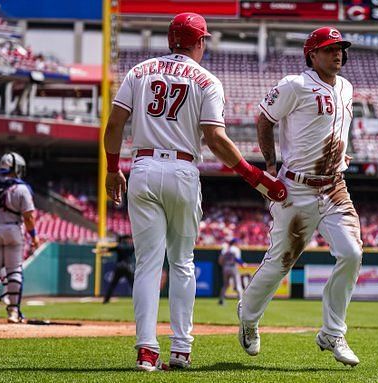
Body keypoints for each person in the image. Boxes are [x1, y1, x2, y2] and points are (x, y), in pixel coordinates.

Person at [103, 12, 286, 372]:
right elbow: (215, 139)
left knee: (148, 265)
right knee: (183, 262)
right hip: (183, 169)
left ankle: (146, 351)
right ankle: (181, 349)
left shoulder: (139, 71)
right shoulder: (206, 79)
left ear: (171, 39)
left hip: (141, 166)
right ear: (199, 42)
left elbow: (114, 125)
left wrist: (112, 169)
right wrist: (253, 175)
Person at [237, 27, 363, 367]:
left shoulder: (347, 87)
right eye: (329, 48)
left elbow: (335, 130)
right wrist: (270, 164)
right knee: (281, 262)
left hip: (335, 185)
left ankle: (332, 332)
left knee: (351, 253)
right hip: (297, 187)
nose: (337, 53)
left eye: (340, 48)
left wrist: (341, 155)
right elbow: (264, 120)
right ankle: (248, 317)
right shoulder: (295, 84)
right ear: (312, 54)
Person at [0, 152, 39, 324]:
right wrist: (34, 236)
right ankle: (13, 312)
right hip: (13, 229)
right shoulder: (22, 188)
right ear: (16, 167)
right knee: (14, 271)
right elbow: (29, 218)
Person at [103, 234, 135, 304]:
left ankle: (106, 300)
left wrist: (101, 251)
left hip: (119, 267)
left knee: (113, 284)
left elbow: (108, 249)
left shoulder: (119, 246)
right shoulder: (131, 246)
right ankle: (138, 300)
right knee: (133, 285)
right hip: (128, 267)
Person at [218, 238, 243, 305]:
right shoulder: (236, 249)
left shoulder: (225, 249)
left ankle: (221, 300)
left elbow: (220, 260)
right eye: (237, 242)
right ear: (234, 243)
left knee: (225, 285)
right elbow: (237, 259)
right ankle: (241, 301)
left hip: (225, 267)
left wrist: (223, 265)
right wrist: (242, 263)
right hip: (233, 267)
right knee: (238, 285)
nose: (238, 244)